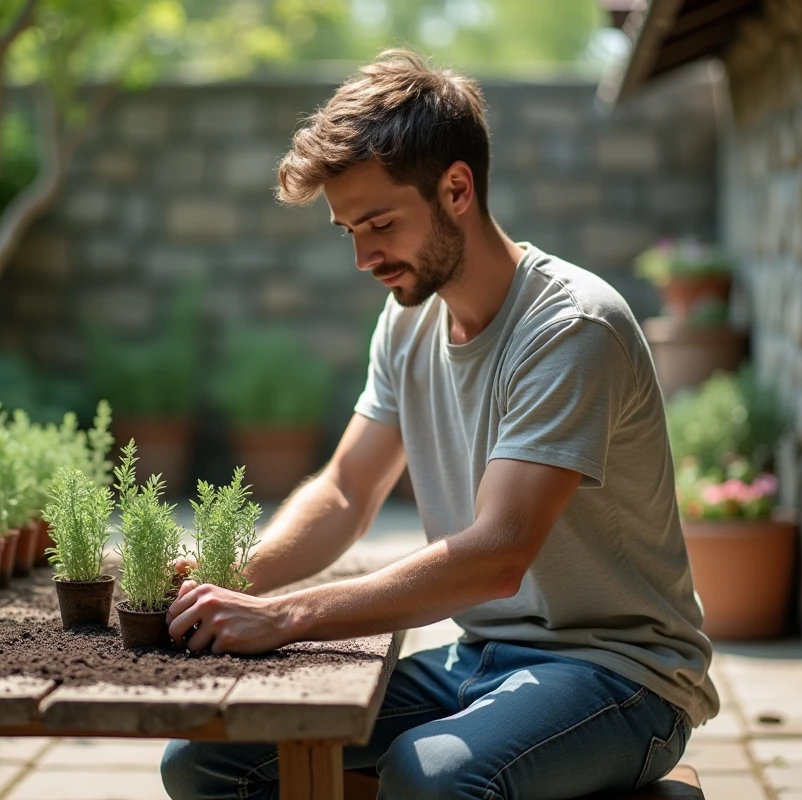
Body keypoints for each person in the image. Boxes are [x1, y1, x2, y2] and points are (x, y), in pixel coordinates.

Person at [160, 49, 719, 800]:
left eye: (380, 223)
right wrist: (226, 580)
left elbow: (498, 555)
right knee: (205, 759)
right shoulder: (407, 324)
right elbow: (347, 491)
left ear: (457, 188)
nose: (363, 256)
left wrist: (283, 616)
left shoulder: (570, 327)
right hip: (480, 657)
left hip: (621, 675)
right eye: (347, 230)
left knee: (430, 779)